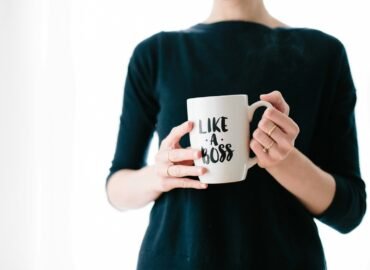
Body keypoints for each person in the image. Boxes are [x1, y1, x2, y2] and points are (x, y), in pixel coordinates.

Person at [105, 0, 367, 269]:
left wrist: (284, 161)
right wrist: (159, 175)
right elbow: (116, 188)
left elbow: (349, 211)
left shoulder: (323, 54)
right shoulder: (156, 54)